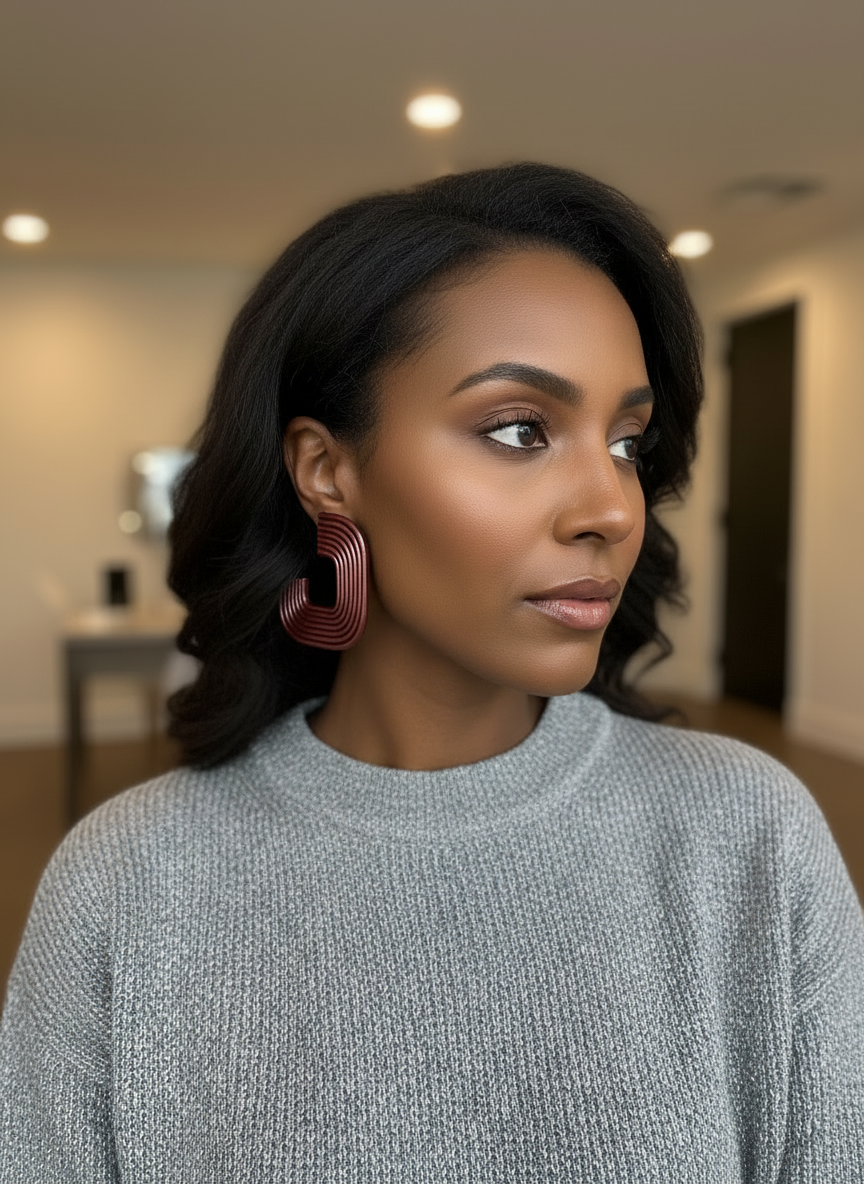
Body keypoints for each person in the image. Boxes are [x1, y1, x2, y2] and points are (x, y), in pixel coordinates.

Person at [1, 163, 862, 1181]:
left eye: (628, 441)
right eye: (518, 429)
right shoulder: (125, 883)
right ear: (329, 468)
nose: (614, 507)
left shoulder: (746, 836)